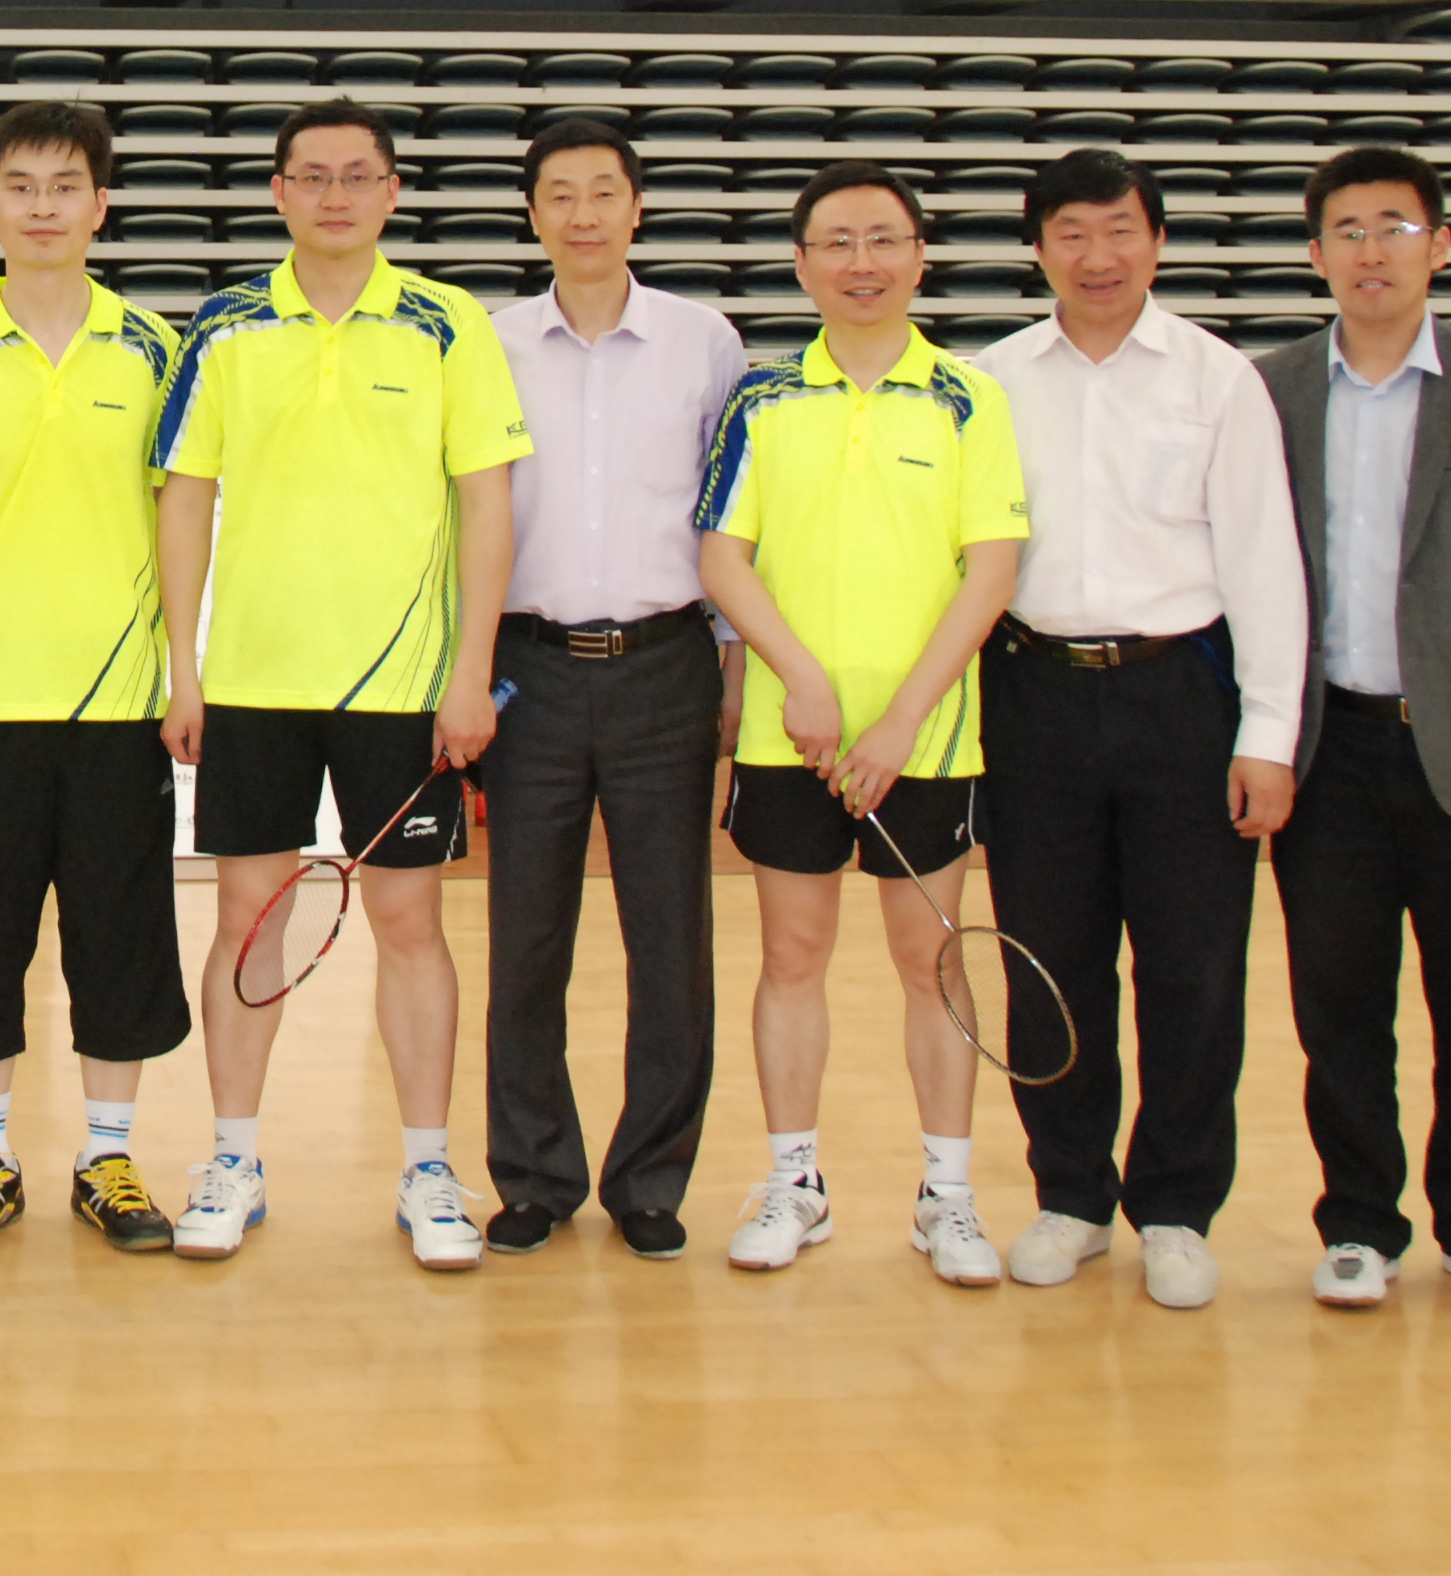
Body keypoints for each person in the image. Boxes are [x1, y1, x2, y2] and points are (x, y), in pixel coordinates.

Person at [156, 98, 526, 1272]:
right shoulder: (223, 329)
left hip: (403, 689)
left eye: (355, 175)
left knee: (408, 924)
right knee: (245, 919)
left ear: (390, 192)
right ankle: (231, 1159)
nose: (332, 196)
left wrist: (470, 671)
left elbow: (485, 503)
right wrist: (183, 669)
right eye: (309, 176)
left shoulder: (446, 325)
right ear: (276, 192)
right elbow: (184, 499)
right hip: (254, 682)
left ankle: (426, 1168)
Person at [972, 148, 1304, 1311]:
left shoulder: (1218, 381)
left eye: (1118, 230)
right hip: (1031, 697)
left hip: (1179, 698)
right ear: (1036, 249)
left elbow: (1263, 562)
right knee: (1045, 962)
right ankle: (1068, 1194)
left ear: (1156, 242)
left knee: (1191, 969)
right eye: (1070, 233)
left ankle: (1173, 1207)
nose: (1096, 256)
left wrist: (1267, 734)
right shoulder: (992, 381)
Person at [1256, 144, 1451, 1316]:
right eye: (1345, 230)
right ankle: (1356, 1222)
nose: (1369, 251)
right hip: (1325, 750)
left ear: (1436, 246)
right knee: (1337, 1007)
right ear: (1314, 254)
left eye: (1392, 227)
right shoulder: (1272, 389)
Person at [695, 160, 1027, 1288]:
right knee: (791, 956)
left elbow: (990, 573)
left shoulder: (969, 398)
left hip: (923, 741)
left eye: (883, 240)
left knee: (930, 960)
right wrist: (801, 683)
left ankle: (947, 1196)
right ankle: (795, 1182)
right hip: (789, 738)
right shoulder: (760, 401)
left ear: (919, 258)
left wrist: (898, 722)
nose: (861, 262)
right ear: (801, 266)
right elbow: (721, 558)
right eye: (835, 243)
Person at [0, 100, 191, 1257]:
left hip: (119, 708)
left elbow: (183, 520)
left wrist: (184, 675)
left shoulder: (156, 352)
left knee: (118, 939)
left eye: (66, 187)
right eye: (21, 186)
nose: (43, 207)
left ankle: (106, 1157)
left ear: (100, 206)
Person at [476, 118, 743, 1262]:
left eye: (601, 193)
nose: (581, 214)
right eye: (559, 195)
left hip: (664, 665)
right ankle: (533, 1174)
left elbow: (733, 511)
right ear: (531, 214)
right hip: (526, 668)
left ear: (635, 208)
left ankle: (649, 1179)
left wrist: (733, 662)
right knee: (524, 937)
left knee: (668, 937)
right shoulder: (486, 344)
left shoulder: (703, 341)